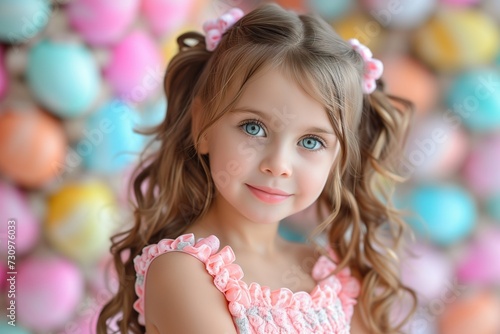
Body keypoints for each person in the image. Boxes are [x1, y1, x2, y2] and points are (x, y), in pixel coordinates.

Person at [97, 3, 417, 333]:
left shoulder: (331, 273)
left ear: (338, 157)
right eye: (253, 128)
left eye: (310, 142)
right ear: (203, 126)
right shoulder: (183, 273)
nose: (277, 165)